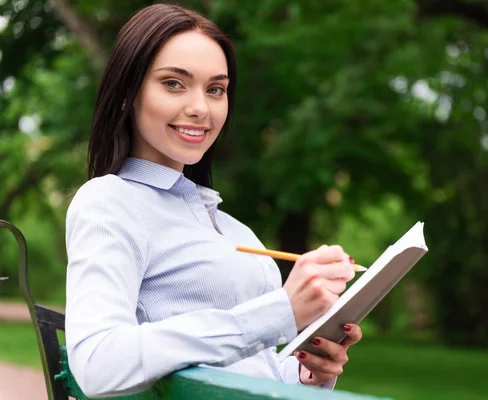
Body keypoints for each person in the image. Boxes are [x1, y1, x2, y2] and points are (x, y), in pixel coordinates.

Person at [64, 3, 362, 398]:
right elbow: (98, 364)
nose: (200, 108)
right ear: (126, 95)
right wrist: (279, 312)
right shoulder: (110, 200)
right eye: (173, 83)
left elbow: (254, 370)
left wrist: (310, 372)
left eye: (215, 89)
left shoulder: (238, 232)